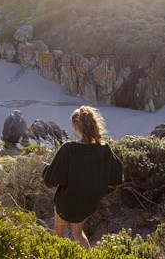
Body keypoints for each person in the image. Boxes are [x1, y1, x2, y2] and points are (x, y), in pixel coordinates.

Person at [42, 105, 123, 249]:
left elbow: (50, 180)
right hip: (88, 203)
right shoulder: (104, 149)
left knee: (58, 232)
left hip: (67, 202)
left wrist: (47, 168)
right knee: (77, 232)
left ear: (75, 126)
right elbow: (117, 177)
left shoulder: (69, 149)